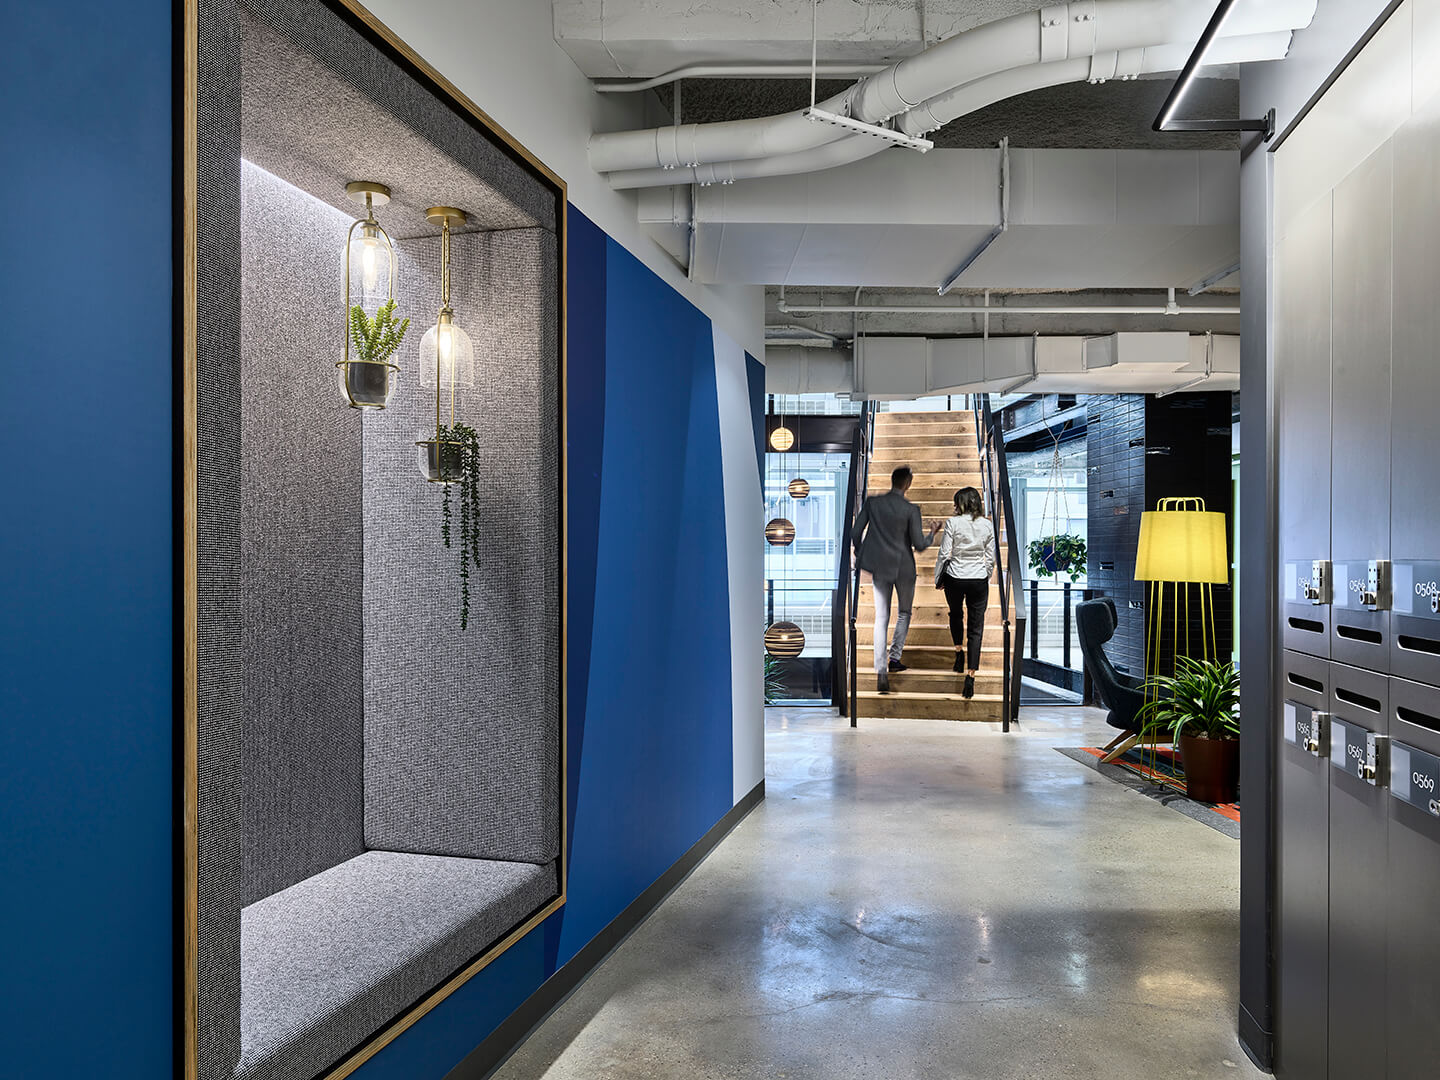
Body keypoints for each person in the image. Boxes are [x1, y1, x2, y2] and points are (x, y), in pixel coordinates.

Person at [852, 466, 943, 694]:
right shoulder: (911, 509)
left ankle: (881, 671)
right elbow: (919, 545)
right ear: (908, 484)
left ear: (893, 481)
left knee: (881, 617)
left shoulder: (873, 504)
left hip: (880, 568)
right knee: (904, 613)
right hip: (904, 569)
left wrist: (863, 552)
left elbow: (855, 532)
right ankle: (895, 658)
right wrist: (932, 533)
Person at [935, 486, 996, 699]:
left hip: (955, 577)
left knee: (955, 614)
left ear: (960, 503)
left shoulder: (953, 523)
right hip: (978, 578)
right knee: (976, 627)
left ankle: (959, 653)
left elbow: (944, 554)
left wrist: (938, 578)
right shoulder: (987, 524)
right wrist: (985, 574)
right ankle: (970, 676)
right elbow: (991, 557)